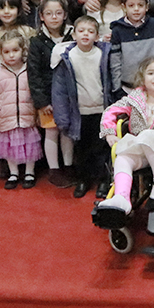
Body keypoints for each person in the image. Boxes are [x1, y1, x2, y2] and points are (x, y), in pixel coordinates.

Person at [93, 57, 154, 227]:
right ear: (142, 78)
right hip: (141, 148)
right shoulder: (134, 98)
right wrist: (109, 132)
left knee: (147, 135)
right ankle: (121, 198)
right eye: (151, 73)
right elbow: (110, 111)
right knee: (123, 158)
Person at [51, 16, 114, 198]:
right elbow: (59, 90)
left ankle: (103, 181)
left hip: (101, 111)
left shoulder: (104, 54)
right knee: (82, 149)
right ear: (74, 34)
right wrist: (62, 117)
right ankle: (83, 180)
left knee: (102, 148)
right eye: (81, 31)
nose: (85, 34)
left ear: (97, 36)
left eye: (90, 31)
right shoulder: (67, 57)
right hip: (79, 112)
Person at [27, 0, 75, 187]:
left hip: (69, 95)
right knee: (52, 131)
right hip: (48, 96)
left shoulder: (73, 36)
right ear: (41, 16)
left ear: (65, 15)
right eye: (49, 13)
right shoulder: (37, 41)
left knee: (67, 131)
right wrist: (42, 101)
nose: (54, 17)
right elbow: (34, 73)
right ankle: (54, 169)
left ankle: (69, 166)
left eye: (58, 13)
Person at [0, 32, 42, 189]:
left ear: (23, 50)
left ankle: (29, 172)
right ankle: (13, 173)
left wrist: (38, 112)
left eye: (15, 50)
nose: (11, 55)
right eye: (6, 52)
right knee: (9, 147)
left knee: (30, 146)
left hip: (27, 116)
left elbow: (36, 92)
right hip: (6, 117)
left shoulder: (29, 69)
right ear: (1, 53)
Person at [109, 0, 154, 96]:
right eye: (131, 5)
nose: (136, 9)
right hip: (126, 88)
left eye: (140, 5)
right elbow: (115, 62)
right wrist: (117, 88)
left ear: (147, 7)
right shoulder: (118, 30)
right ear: (124, 7)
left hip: (151, 88)